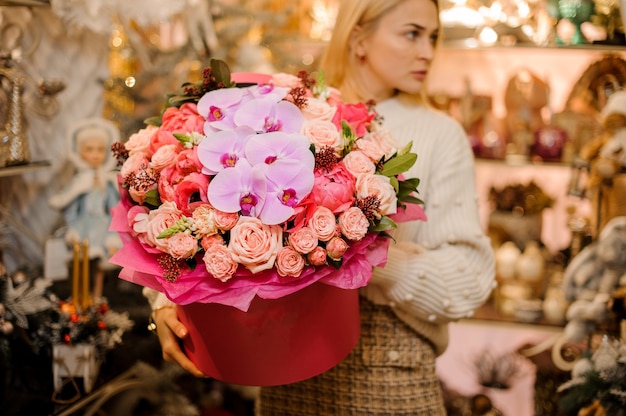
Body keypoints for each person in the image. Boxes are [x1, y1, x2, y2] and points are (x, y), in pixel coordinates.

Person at [147, 0, 496, 414]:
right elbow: (202, 216)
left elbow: (469, 282)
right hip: (283, 372)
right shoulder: (288, 111)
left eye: (433, 37)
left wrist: (362, 256)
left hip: (391, 378)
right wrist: (166, 302)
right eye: (412, 33)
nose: (428, 51)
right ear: (359, 38)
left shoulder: (441, 133)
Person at [49, 117, 122, 300]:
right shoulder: (79, 182)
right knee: (81, 261)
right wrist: (72, 227)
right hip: (83, 226)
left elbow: (114, 207)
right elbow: (71, 207)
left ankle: (97, 295)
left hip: (102, 225)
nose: (95, 155)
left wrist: (113, 234)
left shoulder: (108, 181)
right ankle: (80, 294)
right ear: (79, 152)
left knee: (100, 265)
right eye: (89, 150)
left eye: (100, 150)